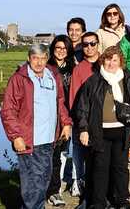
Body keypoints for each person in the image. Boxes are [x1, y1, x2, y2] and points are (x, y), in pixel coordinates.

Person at [0, 44, 72, 209]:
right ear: (28, 58)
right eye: (35, 58)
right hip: (29, 140)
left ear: (47, 59)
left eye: (42, 58)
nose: (39, 62)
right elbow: (8, 110)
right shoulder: (19, 79)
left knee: (44, 179)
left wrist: (66, 123)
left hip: (50, 139)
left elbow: (60, 102)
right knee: (33, 183)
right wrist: (15, 136)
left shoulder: (53, 75)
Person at [76, 46, 130, 209]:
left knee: (120, 168)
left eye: (115, 60)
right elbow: (83, 107)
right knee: (100, 168)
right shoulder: (93, 81)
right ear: (102, 60)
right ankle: (99, 202)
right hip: (100, 132)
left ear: (120, 61)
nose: (111, 63)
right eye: (108, 59)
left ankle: (121, 200)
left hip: (122, 131)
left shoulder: (128, 79)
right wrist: (83, 129)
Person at [68, 31, 102, 199]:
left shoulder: (106, 63)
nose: (89, 47)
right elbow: (73, 97)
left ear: (98, 44)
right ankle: (80, 183)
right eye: (85, 44)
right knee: (82, 153)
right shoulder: (79, 69)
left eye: (92, 43)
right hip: (86, 121)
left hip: (105, 120)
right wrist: (78, 122)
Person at [45, 35, 76, 206]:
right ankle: (48, 190)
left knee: (61, 153)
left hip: (68, 116)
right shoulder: (46, 67)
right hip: (50, 117)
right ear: (53, 49)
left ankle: (55, 189)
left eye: (64, 48)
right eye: (58, 48)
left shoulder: (73, 68)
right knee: (49, 155)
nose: (61, 51)